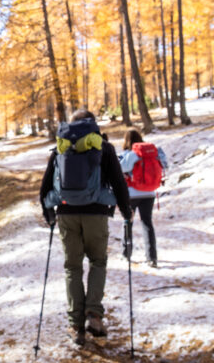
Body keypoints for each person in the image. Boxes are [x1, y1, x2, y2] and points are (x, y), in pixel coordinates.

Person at [40, 109, 133, 346]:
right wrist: (126, 210)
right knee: (97, 262)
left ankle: (75, 325)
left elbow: (47, 182)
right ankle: (94, 314)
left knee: (72, 267)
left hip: (67, 214)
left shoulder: (61, 145)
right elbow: (118, 182)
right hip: (97, 213)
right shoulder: (103, 145)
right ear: (93, 123)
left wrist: (48, 212)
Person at [118, 128, 168, 268]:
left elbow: (121, 168)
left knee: (128, 222)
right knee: (147, 223)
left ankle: (126, 253)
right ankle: (152, 257)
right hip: (149, 193)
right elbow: (165, 164)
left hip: (132, 194)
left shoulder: (129, 154)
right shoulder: (152, 152)